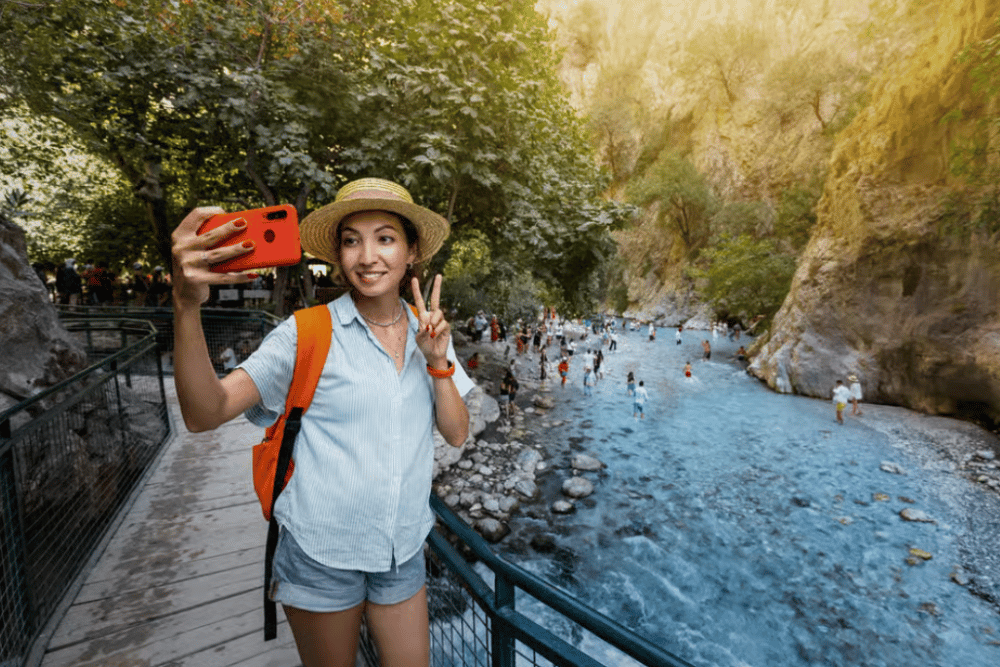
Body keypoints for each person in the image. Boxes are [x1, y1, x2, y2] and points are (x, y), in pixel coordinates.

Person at [169, 177, 472, 667]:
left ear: (412, 252)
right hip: (320, 555)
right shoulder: (305, 333)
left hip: (402, 551)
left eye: (385, 238)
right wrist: (186, 306)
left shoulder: (429, 330)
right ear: (337, 254)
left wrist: (438, 362)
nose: (367, 255)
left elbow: (457, 433)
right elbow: (206, 413)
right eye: (351, 240)